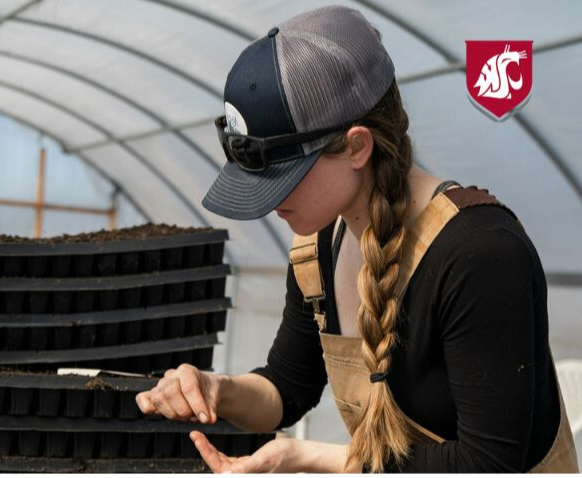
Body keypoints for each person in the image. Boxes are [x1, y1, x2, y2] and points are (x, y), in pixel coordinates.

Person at [135, 5, 578, 473]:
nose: (268, 204)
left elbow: (487, 463)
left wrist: (305, 455)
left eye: (286, 178)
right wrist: (217, 389)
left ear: (356, 146)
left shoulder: (479, 253)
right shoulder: (319, 244)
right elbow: (287, 387)